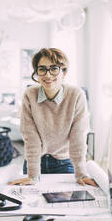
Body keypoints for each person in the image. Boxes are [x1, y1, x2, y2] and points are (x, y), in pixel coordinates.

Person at [9, 48, 96, 187]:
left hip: (65, 162)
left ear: (64, 72)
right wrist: (32, 175)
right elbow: (31, 137)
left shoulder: (76, 95)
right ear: (37, 73)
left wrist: (81, 173)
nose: (48, 75)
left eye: (54, 69)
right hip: (35, 161)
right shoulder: (29, 95)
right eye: (42, 69)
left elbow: (78, 137)